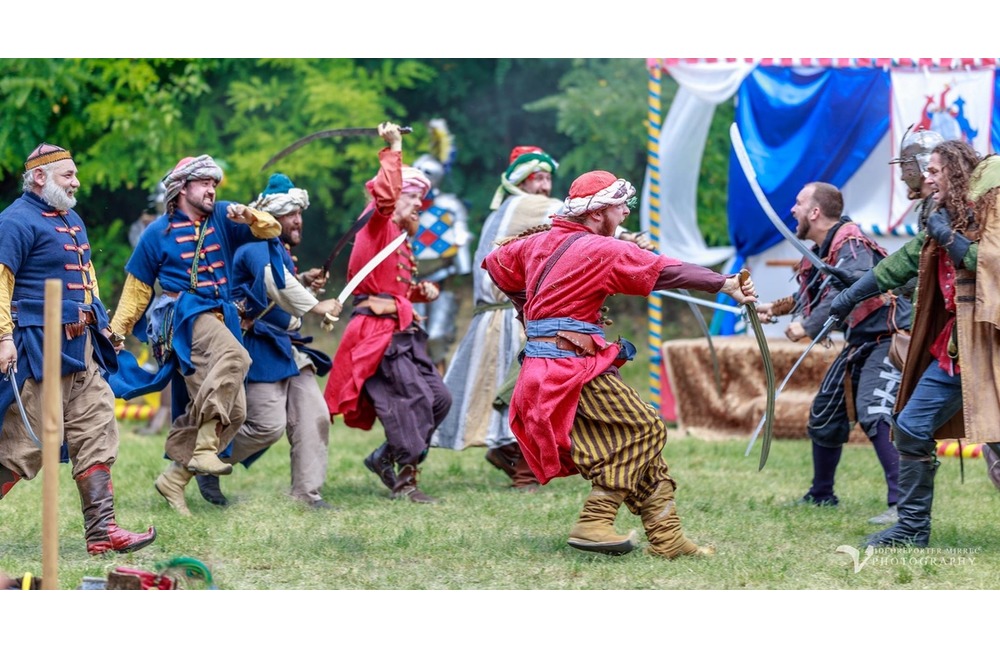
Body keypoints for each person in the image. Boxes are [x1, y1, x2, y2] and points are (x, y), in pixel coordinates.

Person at [482, 170, 757, 558]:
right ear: (596, 213)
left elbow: (496, 263)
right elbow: (664, 270)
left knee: (640, 450)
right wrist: (724, 283)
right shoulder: (600, 249)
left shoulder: (539, 242)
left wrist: (528, 309)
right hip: (568, 371)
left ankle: (668, 539)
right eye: (619, 206)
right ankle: (595, 520)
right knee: (645, 430)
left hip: (544, 371)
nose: (625, 214)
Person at [831, 140, 1000, 547]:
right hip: (959, 351)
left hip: (991, 347)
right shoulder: (945, 219)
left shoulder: (989, 215)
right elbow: (903, 262)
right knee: (910, 427)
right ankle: (910, 529)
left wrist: (949, 238)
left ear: (956, 172)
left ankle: (910, 528)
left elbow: (989, 262)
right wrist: (851, 295)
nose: (927, 176)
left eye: (935, 170)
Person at [0, 143, 156, 555]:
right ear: (40, 177)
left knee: (97, 426)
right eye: (68, 175)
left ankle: (102, 531)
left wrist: (104, 325)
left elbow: (87, 278)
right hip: (37, 348)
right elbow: (0, 282)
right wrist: (2, 337)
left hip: (82, 345)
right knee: (23, 446)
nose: (76, 182)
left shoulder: (71, 219)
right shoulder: (14, 221)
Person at [108, 154, 282, 516]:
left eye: (215, 184)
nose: (212, 190)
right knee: (237, 358)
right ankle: (203, 447)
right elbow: (138, 289)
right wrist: (116, 332)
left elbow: (271, 230)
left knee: (235, 412)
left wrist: (251, 216)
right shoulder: (157, 233)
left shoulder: (224, 217)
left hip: (221, 318)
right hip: (183, 317)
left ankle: (174, 478)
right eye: (204, 183)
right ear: (183, 187)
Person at [756, 182, 911, 526]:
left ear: (815, 212)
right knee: (825, 416)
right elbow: (813, 292)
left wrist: (809, 326)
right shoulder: (825, 249)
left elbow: (853, 285)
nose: (792, 210)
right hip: (859, 342)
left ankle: (903, 505)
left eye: (798, 203)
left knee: (876, 412)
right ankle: (822, 494)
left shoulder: (851, 243)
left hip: (887, 338)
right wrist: (773, 309)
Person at [194, 173, 342, 509]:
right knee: (266, 425)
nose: (298, 220)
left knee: (315, 415)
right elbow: (274, 284)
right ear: (273, 216)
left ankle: (307, 493)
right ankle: (201, 461)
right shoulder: (256, 245)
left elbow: (281, 286)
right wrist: (317, 305)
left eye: (299, 213)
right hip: (258, 347)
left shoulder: (277, 249)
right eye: (291, 214)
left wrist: (302, 280)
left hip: (286, 346)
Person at [323, 122, 450, 504]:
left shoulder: (400, 240)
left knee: (439, 399)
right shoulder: (377, 225)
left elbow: (392, 287)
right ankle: (406, 479)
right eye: (412, 199)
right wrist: (394, 147)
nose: (417, 206)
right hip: (378, 335)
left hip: (404, 334)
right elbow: (383, 197)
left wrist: (418, 292)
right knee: (412, 402)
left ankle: (385, 457)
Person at [431, 145, 563, 491]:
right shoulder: (527, 205)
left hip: (502, 315)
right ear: (522, 181)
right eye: (539, 178)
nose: (546, 186)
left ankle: (508, 453)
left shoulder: (507, 209)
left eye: (549, 178)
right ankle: (523, 469)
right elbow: (575, 221)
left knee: (513, 391)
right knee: (526, 392)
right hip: (509, 316)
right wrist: (623, 238)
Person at [410, 119, 472, 375]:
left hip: (441, 278)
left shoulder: (449, 205)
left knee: (436, 337)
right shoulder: (406, 205)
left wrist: (463, 267)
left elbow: (460, 237)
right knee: (414, 336)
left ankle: (440, 387)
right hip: (410, 280)